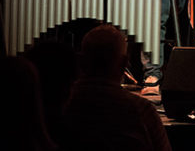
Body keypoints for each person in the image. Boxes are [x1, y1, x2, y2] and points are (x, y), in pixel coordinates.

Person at [63, 23, 172, 151]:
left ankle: (152, 72)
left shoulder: (62, 105)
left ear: (81, 60)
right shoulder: (142, 111)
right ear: (124, 63)